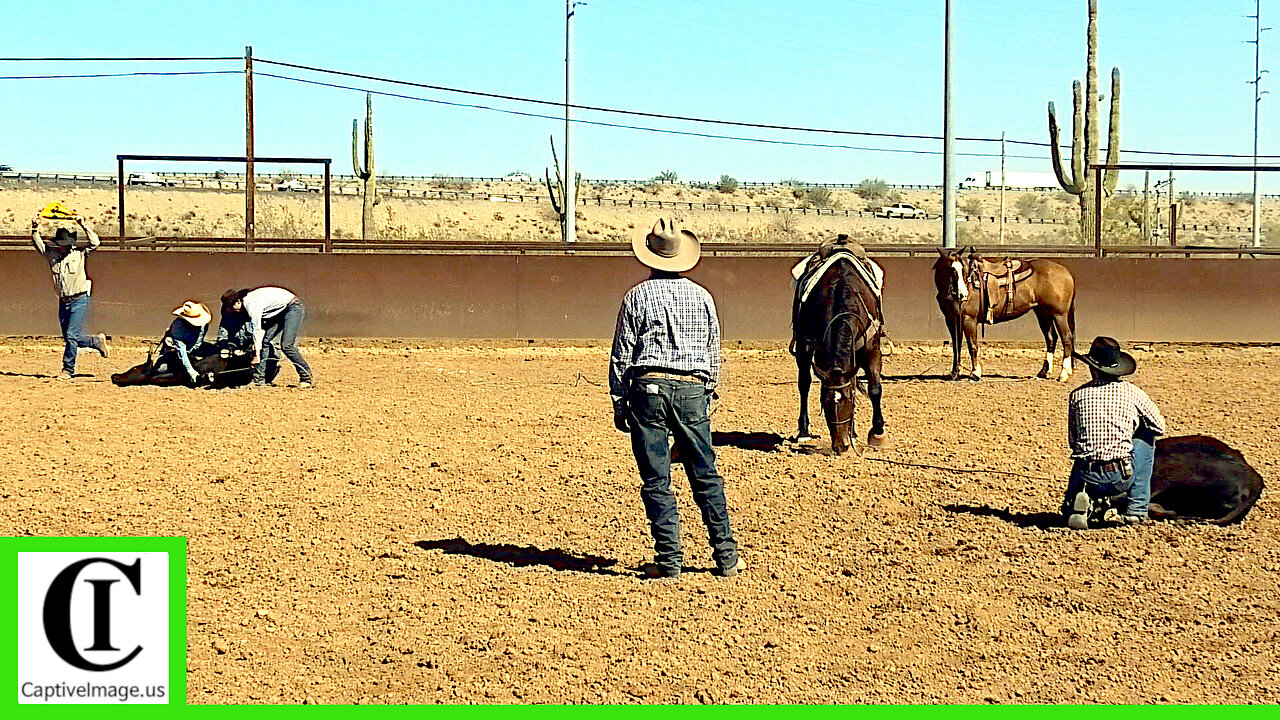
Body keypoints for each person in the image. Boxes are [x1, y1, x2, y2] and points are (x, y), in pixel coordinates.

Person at [609, 218, 741, 580]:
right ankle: (726, 557)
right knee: (705, 474)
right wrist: (706, 393)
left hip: (648, 389)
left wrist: (619, 399)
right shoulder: (703, 297)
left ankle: (668, 562)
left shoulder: (636, 296)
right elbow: (713, 351)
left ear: (649, 255)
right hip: (692, 391)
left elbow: (622, 352)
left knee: (656, 480)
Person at [1062, 336, 1167, 529]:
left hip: (1087, 475)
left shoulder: (1077, 395)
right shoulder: (1133, 392)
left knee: (1082, 450)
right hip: (1120, 477)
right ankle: (1136, 510)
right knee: (1146, 438)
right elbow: (1159, 427)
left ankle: (1075, 499)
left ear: (1092, 367)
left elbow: (1073, 441)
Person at [30, 215, 110, 379]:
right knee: (69, 337)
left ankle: (68, 369)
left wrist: (84, 225)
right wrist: (34, 228)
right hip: (63, 300)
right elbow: (38, 245)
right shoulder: (52, 255)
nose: (63, 247)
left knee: (71, 336)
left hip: (79, 299)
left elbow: (95, 242)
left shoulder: (79, 253)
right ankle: (95, 341)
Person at [220, 287, 312, 388]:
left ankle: (306, 378)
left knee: (287, 346)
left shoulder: (252, 305)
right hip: (281, 311)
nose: (233, 311)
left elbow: (257, 330)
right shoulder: (249, 301)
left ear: (238, 302)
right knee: (265, 342)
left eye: (231, 307)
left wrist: (257, 355)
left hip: (293, 307)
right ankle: (259, 381)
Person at [161, 301, 211, 384]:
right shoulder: (178, 328)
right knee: (162, 370)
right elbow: (181, 351)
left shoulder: (204, 324)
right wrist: (190, 370)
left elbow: (199, 341)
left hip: (196, 348)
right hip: (176, 354)